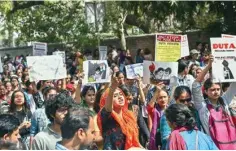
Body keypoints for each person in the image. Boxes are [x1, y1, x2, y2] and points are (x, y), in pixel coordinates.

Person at [192, 55, 236, 149]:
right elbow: (196, 84)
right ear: (205, 91)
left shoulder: (224, 101)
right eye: (212, 90)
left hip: (231, 145)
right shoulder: (201, 105)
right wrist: (208, 66)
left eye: (218, 89)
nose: (216, 92)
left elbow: (234, 84)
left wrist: (233, 63)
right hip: (211, 145)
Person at [97, 74, 141, 149]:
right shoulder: (106, 116)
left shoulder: (129, 116)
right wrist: (111, 90)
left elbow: (136, 141)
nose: (120, 97)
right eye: (115, 96)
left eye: (121, 94)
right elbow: (108, 109)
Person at [147, 84, 168, 150]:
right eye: (160, 97)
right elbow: (149, 107)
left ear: (168, 97)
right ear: (156, 100)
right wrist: (157, 92)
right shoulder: (155, 111)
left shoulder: (171, 109)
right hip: (157, 139)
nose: (163, 99)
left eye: (165, 97)